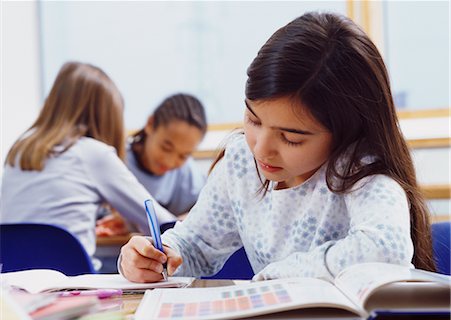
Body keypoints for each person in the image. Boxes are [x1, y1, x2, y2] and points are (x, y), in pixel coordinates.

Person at [119, 12, 435, 283]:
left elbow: (387, 247)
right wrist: (154, 257)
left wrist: (281, 273)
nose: (262, 149)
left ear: (346, 133)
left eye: (291, 138)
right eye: (253, 120)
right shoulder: (242, 161)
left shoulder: (360, 168)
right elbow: (195, 245)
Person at [1, 61, 174, 269]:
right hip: (72, 284)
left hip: (12, 287)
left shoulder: (21, 150)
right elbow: (162, 223)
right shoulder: (93, 153)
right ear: (107, 116)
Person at [96, 93, 207, 236]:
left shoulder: (189, 175)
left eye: (183, 156)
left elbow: (207, 213)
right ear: (150, 124)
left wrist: (181, 222)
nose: (170, 161)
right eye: (165, 147)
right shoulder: (117, 161)